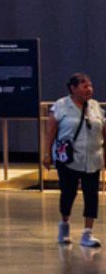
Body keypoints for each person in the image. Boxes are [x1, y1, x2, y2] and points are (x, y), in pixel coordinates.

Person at [42, 73, 105, 247]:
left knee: (91, 195)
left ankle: (87, 233)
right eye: (85, 86)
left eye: (90, 86)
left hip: (92, 159)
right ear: (73, 88)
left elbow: (103, 130)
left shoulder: (95, 107)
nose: (89, 89)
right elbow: (50, 132)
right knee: (68, 193)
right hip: (68, 159)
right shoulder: (61, 106)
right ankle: (64, 224)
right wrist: (46, 153)